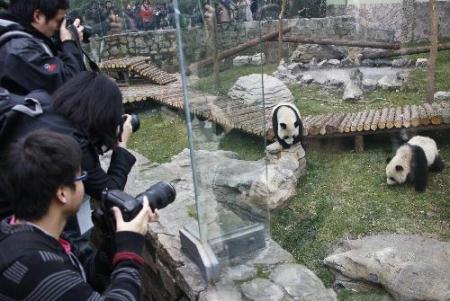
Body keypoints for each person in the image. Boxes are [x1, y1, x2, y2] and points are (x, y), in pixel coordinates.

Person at [0, 130, 159, 300]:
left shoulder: (21, 231)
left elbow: (86, 276)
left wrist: (114, 240)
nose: (84, 183)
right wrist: (130, 251)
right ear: (62, 193)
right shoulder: (38, 268)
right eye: (81, 176)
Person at [0, 71, 136, 220]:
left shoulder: (41, 101)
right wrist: (121, 146)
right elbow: (110, 192)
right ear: (103, 115)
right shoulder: (70, 143)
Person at [0, 0, 85, 95]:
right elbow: (71, 86)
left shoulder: (24, 40)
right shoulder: (20, 50)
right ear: (38, 16)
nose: (60, 27)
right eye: (59, 21)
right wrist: (69, 42)